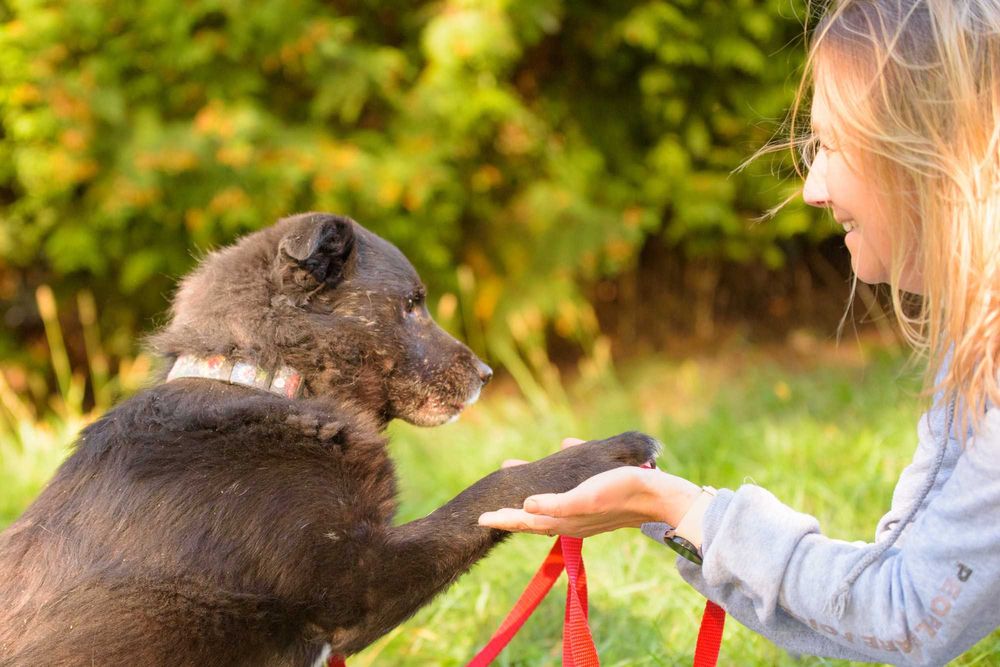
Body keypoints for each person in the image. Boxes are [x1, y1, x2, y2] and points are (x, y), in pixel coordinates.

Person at [478, 1, 1000, 664]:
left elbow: (906, 615)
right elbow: (893, 601)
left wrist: (671, 503)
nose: (811, 188)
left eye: (835, 146)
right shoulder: (978, 336)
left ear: (932, 151)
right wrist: (666, 505)